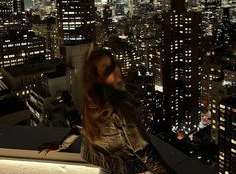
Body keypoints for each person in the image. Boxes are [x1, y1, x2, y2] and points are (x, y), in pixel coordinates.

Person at [39, 49, 174, 174]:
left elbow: (81, 126)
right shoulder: (121, 105)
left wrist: (62, 144)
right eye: (107, 69)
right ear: (97, 78)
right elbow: (143, 150)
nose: (115, 69)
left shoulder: (94, 100)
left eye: (113, 63)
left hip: (104, 167)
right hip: (126, 168)